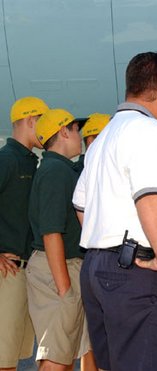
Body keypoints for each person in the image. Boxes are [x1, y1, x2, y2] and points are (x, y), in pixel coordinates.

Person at [73, 52, 157, 371]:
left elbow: (80, 204)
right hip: (140, 272)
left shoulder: (103, 138)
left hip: (100, 267)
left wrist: (107, 244)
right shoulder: (148, 131)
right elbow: (151, 198)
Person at [26, 108, 92, 370]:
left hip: (63, 267)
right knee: (55, 359)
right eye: (77, 129)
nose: (81, 135)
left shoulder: (61, 169)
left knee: (63, 357)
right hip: (57, 269)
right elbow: (51, 232)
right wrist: (65, 289)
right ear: (64, 131)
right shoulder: (55, 171)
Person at [0, 96, 48, 371]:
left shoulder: (31, 162)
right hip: (7, 275)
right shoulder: (6, 161)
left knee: (12, 361)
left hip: (23, 274)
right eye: (43, 122)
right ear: (31, 121)